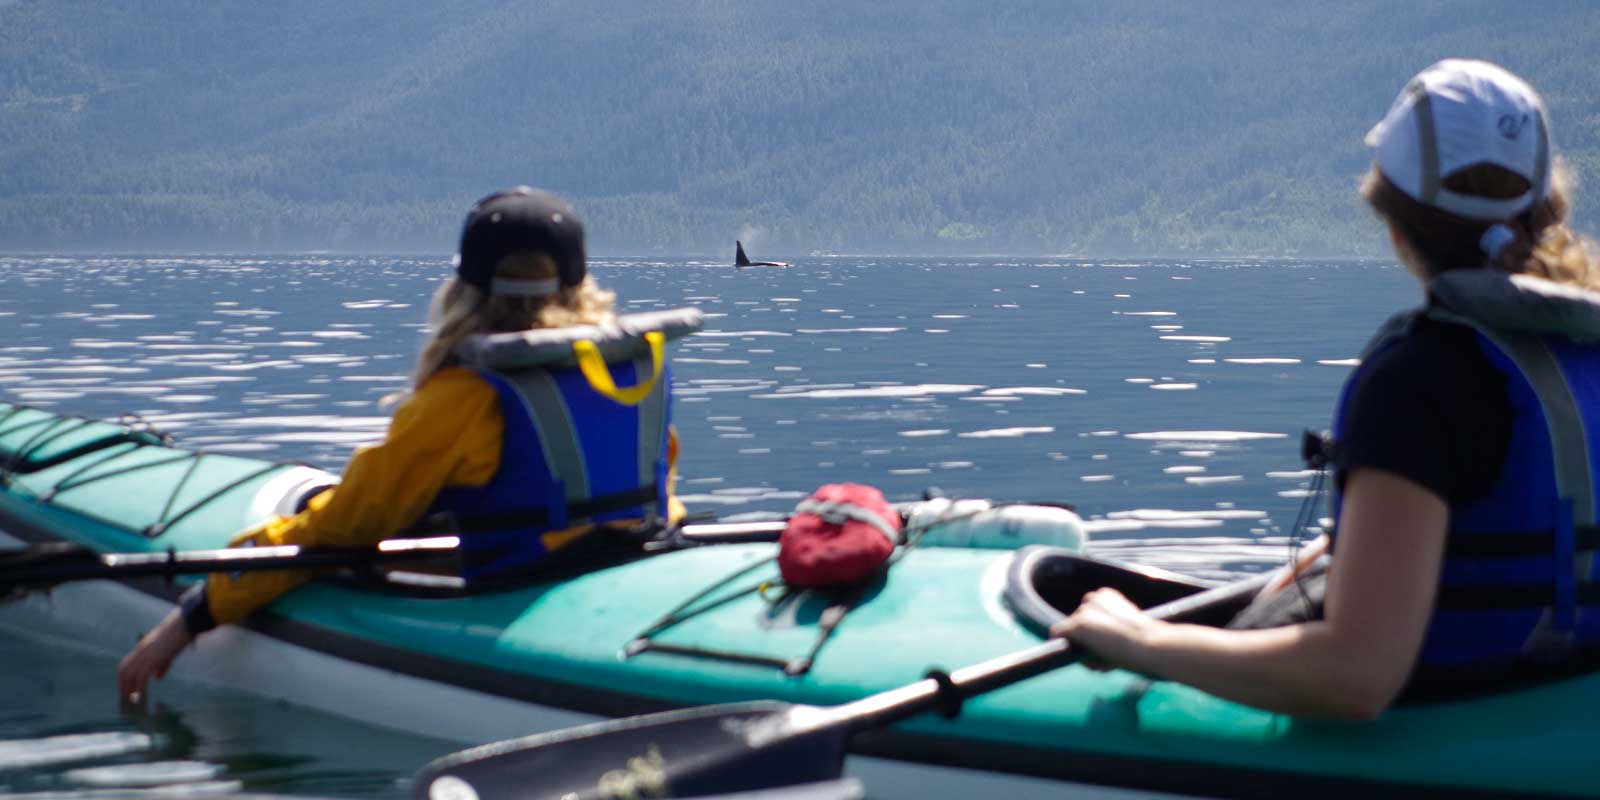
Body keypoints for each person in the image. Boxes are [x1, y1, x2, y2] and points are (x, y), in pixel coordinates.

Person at [1052, 59, 1600, 718]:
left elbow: (1356, 678)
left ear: (1393, 222)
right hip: (1566, 705)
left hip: (1455, 720)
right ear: (1548, 209)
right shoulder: (1584, 341)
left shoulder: (1421, 377)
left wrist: (1142, 642)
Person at [119, 187, 692, 700]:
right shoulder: (633, 368)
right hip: (640, 563)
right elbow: (653, 475)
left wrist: (193, 616)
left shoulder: (464, 396)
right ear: (578, 281)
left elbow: (341, 527)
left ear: (467, 289)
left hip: (525, 593)